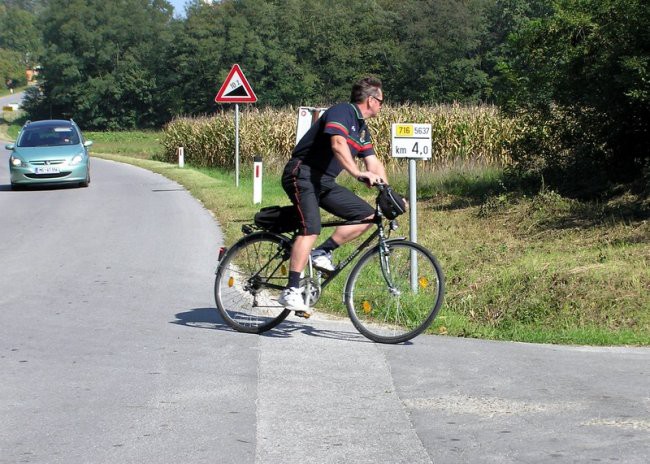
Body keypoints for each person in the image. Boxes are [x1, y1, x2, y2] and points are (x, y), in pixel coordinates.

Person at [278, 76, 388, 314]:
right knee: (311, 227)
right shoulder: (342, 112)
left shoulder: (361, 128)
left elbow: (374, 162)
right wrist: (357, 173)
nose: (382, 105)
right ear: (370, 100)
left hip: (324, 181)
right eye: (381, 100)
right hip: (302, 174)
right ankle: (292, 290)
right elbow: (338, 144)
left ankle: (322, 251)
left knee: (366, 216)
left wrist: (389, 193)